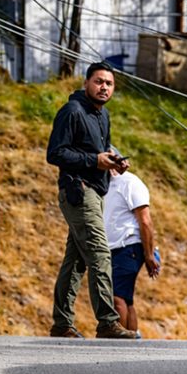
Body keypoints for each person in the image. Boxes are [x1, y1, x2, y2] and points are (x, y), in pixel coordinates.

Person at [45, 62, 139, 339]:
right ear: (86, 83)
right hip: (78, 190)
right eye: (98, 82)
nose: (104, 88)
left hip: (96, 193)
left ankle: (61, 324)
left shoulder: (103, 115)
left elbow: (102, 150)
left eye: (109, 84)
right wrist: (93, 161)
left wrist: (114, 161)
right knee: (100, 254)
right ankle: (108, 322)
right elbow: (55, 154)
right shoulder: (72, 111)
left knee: (75, 262)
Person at [103, 158, 160, 334]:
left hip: (128, 246)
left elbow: (145, 221)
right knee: (126, 299)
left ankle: (118, 340)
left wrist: (149, 255)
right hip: (114, 248)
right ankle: (132, 340)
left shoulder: (130, 182)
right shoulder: (104, 185)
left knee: (116, 297)